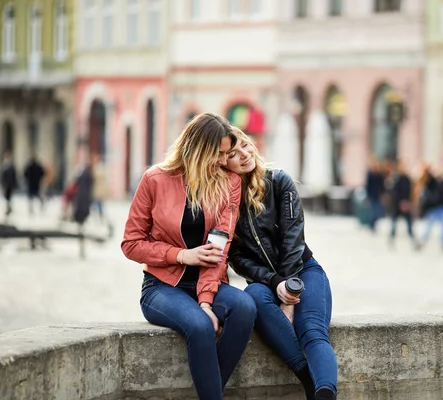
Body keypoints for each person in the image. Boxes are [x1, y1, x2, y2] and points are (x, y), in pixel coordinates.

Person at [121, 113, 255, 400]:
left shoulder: (229, 182)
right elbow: (131, 244)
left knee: (244, 307)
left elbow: (219, 248)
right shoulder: (154, 180)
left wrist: (206, 301)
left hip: (210, 284)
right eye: (217, 154)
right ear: (197, 149)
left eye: (225, 154)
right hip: (162, 287)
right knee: (198, 325)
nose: (222, 161)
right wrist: (182, 255)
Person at [226, 128, 338, 400]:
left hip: (303, 271)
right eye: (232, 153)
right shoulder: (222, 201)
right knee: (251, 295)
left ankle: (325, 394)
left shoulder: (278, 182)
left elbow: (293, 240)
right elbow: (236, 257)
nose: (244, 154)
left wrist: (289, 295)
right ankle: (309, 383)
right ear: (220, 161)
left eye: (244, 145)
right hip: (264, 282)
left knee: (311, 331)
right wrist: (275, 284)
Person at [418, 165, 443, 252]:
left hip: (442, 207)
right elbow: (425, 180)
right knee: (428, 226)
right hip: (433, 208)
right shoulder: (431, 181)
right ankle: (422, 241)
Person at [388, 161, 418, 248]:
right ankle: (391, 240)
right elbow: (394, 193)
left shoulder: (408, 179)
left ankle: (413, 241)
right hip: (397, 205)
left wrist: (408, 202)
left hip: (406, 205)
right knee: (394, 224)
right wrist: (400, 203)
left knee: (409, 225)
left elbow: (411, 192)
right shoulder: (396, 179)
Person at [364, 156, 386, 233]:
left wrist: (383, 195)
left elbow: (382, 185)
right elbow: (367, 186)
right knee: (372, 212)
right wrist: (367, 197)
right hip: (372, 196)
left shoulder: (379, 174)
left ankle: (373, 224)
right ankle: (371, 225)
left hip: (378, 196)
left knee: (378, 212)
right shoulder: (369, 174)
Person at [90, 154, 108, 222]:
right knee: (98, 203)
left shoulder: (97, 168)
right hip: (99, 189)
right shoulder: (101, 167)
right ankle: (99, 216)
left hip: (98, 189)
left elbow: (95, 177)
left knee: (98, 203)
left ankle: (100, 216)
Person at [0, 152, 17, 217]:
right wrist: (2, 183)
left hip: (11, 184)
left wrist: (15, 184)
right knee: (6, 197)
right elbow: (2, 176)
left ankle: (9, 208)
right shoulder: (4, 166)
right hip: (6, 184)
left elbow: (14, 176)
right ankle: (8, 207)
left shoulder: (12, 166)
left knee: (9, 196)